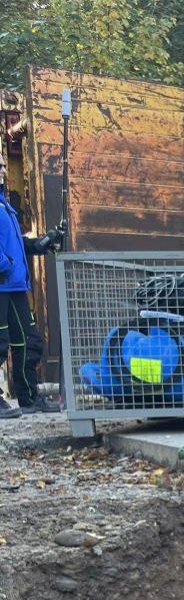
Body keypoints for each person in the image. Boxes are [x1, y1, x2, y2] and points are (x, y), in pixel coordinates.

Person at [0, 159, 63, 418]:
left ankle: (28, 397)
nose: (3, 169)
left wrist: (41, 243)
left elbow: (15, 245)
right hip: (2, 282)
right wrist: (4, 265)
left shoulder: (5, 206)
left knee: (28, 341)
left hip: (13, 286)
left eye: (4, 165)